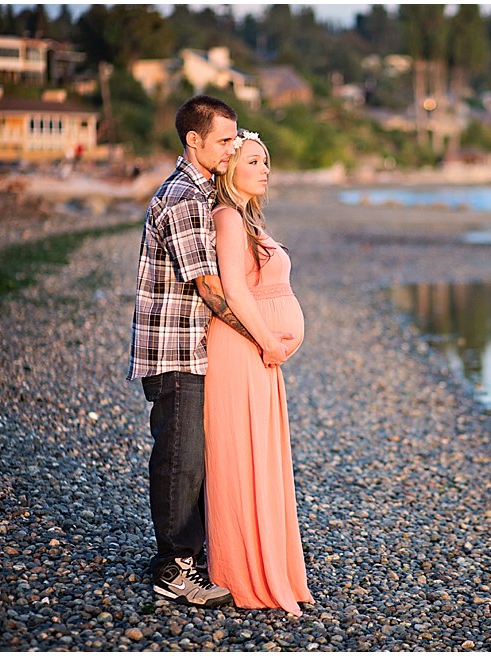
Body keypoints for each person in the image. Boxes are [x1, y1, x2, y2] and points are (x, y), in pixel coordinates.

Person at [127, 95, 287, 607]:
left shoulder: (200, 195)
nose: (230, 148)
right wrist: (263, 339)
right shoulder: (182, 198)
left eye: (232, 138)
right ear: (193, 140)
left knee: (192, 459)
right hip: (174, 352)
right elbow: (212, 289)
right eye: (222, 140)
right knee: (181, 461)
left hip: (194, 352)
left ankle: (192, 560)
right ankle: (173, 569)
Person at [204, 128, 313, 616]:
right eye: (253, 160)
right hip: (243, 349)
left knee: (262, 455)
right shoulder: (227, 216)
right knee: (243, 457)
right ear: (228, 167)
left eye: (266, 160)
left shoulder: (247, 218)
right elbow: (234, 290)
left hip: (258, 353)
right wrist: (268, 340)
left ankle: (272, 568)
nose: (265, 168)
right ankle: (245, 574)